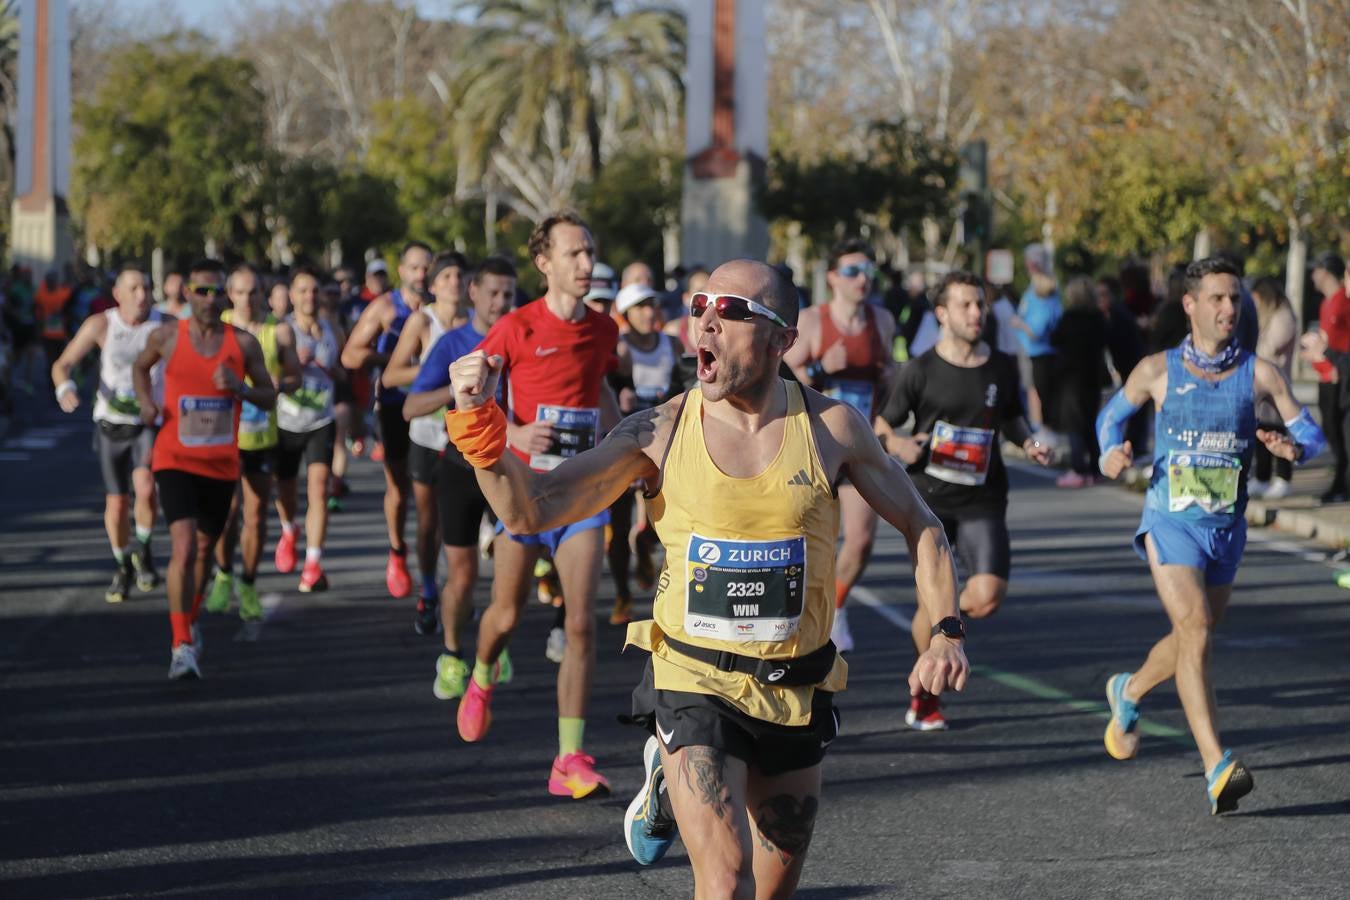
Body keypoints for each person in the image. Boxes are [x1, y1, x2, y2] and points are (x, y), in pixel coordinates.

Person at [444, 258, 969, 895]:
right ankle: (670, 763)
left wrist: (945, 632)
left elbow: (922, 525)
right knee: (724, 881)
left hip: (795, 685)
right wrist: (478, 420)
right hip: (694, 680)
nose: (708, 322)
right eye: (700, 307)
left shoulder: (830, 428)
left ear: (782, 339)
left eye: (733, 311)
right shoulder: (660, 431)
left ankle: (663, 783)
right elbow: (532, 508)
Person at [1096, 256, 1325, 815]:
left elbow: (1312, 436)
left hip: (1226, 528)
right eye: (1217, 298)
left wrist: (1295, 448)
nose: (1229, 308)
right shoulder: (1158, 370)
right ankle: (1217, 766)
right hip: (1171, 521)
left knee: (1194, 634)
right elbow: (1110, 418)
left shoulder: (1261, 374)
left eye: (1235, 298)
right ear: (1190, 304)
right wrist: (1109, 453)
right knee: (1196, 626)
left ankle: (1128, 689)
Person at [449, 212, 621, 799]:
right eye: (574, 253)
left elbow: (598, 386)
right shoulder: (516, 327)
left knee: (580, 623)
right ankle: (481, 676)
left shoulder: (604, 329)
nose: (587, 263)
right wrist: (517, 433)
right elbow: (473, 394)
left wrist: (625, 443)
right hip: (524, 493)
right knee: (506, 614)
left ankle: (569, 758)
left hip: (582, 492)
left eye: (590, 251)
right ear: (544, 263)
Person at [877, 270, 1051, 731]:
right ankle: (925, 696)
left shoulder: (1002, 365)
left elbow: (1011, 418)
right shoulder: (920, 369)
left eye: (980, 304)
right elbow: (882, 425)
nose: (977, 313)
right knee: (935, 606)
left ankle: (941, 616)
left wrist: (1030, 443)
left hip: (983, 497)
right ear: (942, 313)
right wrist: (899, 445)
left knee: (987, 596)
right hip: (927, 501)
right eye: (966, 305)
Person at [133, 258, 276, 680]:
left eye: (216, 292)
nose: (209, 300)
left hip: (221, 464)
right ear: (188, 293)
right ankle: (181, 644)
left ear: (225, 296)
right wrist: (145, 402)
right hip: (174, 459)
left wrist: (241, 388)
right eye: (202, 291)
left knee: (203, 550)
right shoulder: (167, 336)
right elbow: (140, 367)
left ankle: (189, 619)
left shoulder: (244, 343)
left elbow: (270, 396)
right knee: (182, 548)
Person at [403, 256, 518, 698]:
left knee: (511, 576)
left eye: (508, 294)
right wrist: (455, 390)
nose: (500, 301)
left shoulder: (523, 337)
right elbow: (410, 407)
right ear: (474, 292)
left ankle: (493, 648)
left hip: (508, 468)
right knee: (464, 575)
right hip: (460, 468)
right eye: (493, 292)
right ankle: (451, 653)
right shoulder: (452, 342)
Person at [783, 239, 896, 654]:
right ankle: (796, 616)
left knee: (861, 541)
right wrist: (819, 367)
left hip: (860, 445)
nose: (862, 279)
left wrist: (891, 380)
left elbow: (890, 377)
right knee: (806, 541)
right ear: (832, 277)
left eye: (868, 271)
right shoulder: (814, 321)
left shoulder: (882, 320)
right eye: (852, 271)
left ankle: (836, 607)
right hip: (814, 443)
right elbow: (782, 379)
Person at [51, 264, 164, 603]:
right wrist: (65, 387)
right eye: (134, 289)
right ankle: (122, 564)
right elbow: (62, 364)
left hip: (148, 422)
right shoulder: (102, 324)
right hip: (111, 423)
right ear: (117, 295)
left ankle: (143, 549)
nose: (142, 295)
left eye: (146, 288)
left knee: (146, 488)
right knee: (116, 504)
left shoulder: (166, 324)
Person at [382, 251, 471, 633]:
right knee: (428, 520)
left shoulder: (476, 324)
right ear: (433, 285)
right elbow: (390, 376)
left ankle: (460, 591)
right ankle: (430, 588)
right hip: (426, 435)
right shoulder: (422, 321)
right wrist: (436, 371)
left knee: (462, 522)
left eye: (459, 275)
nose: (454, 282)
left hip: (466, 439)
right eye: (446, 276)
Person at [207, 265, 301, 620]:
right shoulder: (218, 327)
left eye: (254, 292)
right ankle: (223, 575)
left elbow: (295, 377)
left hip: (261, 435)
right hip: (223, 434)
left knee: (256, 514)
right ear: (230, 294)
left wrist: (278, 385)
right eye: (241, 292)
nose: (247, 299)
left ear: (263, 294)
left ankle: (247, 583)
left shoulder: (279, 331)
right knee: (226, 513)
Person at [342, 242, 434, 598]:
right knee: (399, 488)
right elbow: (350, 355)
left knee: (432, 492)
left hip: (435, 408)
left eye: (426, 268)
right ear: (402, 271)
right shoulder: (385, 308)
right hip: (395, 405)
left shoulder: (443, 308)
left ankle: (432, 572)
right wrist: (395, 362)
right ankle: (397, 550)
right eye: (415, 268)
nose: (421, 275)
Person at [608, 282, 686, 625]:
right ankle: (622, 594)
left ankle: (645, 542)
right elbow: (609, 387)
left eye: (651, 305)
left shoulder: (671, 344)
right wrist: (621, 398)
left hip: (665, 439)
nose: (647, 312)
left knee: (668, 512)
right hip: (628, 438)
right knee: (618, 519)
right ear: (626, 314)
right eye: (639, 307)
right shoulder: (620, 347)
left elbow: (685, 384)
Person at [271, 268, 343, 593]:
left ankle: (313, 563)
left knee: (319, 489)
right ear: (291, 295)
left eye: (314, 290)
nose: (309, 297)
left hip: (320, 421)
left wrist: (330, 369)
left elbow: (343, 373)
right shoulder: (281, 331)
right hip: (286, 422)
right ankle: (289, 530)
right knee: (285, 491)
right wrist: (292, 367)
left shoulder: (332, 330)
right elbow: (268, 376)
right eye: (302, 291)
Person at [1050, 276, 1108, 488]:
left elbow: (1055, 339)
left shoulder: (1069, 318)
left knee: (1074, 423)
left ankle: (1078, 468)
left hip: (1071, 377)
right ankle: (1096, 467)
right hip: (1092, 375)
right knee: (1091, 422)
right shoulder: (1099, 318)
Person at [1251, 277, 1298, 500]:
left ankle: (1283, 477)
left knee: (1278, 431)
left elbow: (1269, 348)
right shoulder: (1268, 317)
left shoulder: (1283, 317)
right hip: (1263, 384)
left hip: (1277, 383)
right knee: (1262, 429)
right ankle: (1262, 477)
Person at [1308, 253, 1349, 503]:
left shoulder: (1344, 300)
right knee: (1331, 432)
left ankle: (1342, 484)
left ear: (1325, 271)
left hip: (1340, 378)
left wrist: (1338, 365)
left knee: (1341, 434)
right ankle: (1339, 483)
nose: (1312, 275)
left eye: (1316, 269)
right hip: (1325, 377)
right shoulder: (1326, 303)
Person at [1014, 243, 1062, 433]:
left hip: (1037, 350)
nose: (1028, 265)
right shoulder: (1039, 286)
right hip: (1034, 349)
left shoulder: (1043, 287)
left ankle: (1039, 428)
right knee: (1035, 389)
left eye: (1032, 261)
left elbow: (1039, 327)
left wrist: (1021, 324)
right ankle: (1040, 428)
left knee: (1036, 389)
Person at [35, 270, 74, 380]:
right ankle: (52, 383)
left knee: (61, 360)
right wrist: (39, 331)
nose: (51, 283)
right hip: (47, 334)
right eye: (49, 281)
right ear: (46, 282)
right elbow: (38, 315)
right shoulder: (40, 295)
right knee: (51, 360)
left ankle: (59, 381)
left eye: (53, 281)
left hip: (61, 334)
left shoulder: (63, 293)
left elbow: (72, 296)